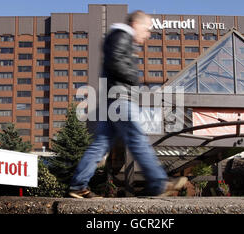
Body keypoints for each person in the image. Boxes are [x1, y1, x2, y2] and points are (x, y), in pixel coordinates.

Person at [68, 10, 187, 198]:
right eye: (147, 29)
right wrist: (134, 80)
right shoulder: (121, 35)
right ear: (136, 25)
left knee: (100, 144)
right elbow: (115, 62)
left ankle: (78, 186)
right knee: (137, 138)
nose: (147, 34)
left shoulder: (118, 36)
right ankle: (159, 183)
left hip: (112, 99)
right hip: (120, 99)